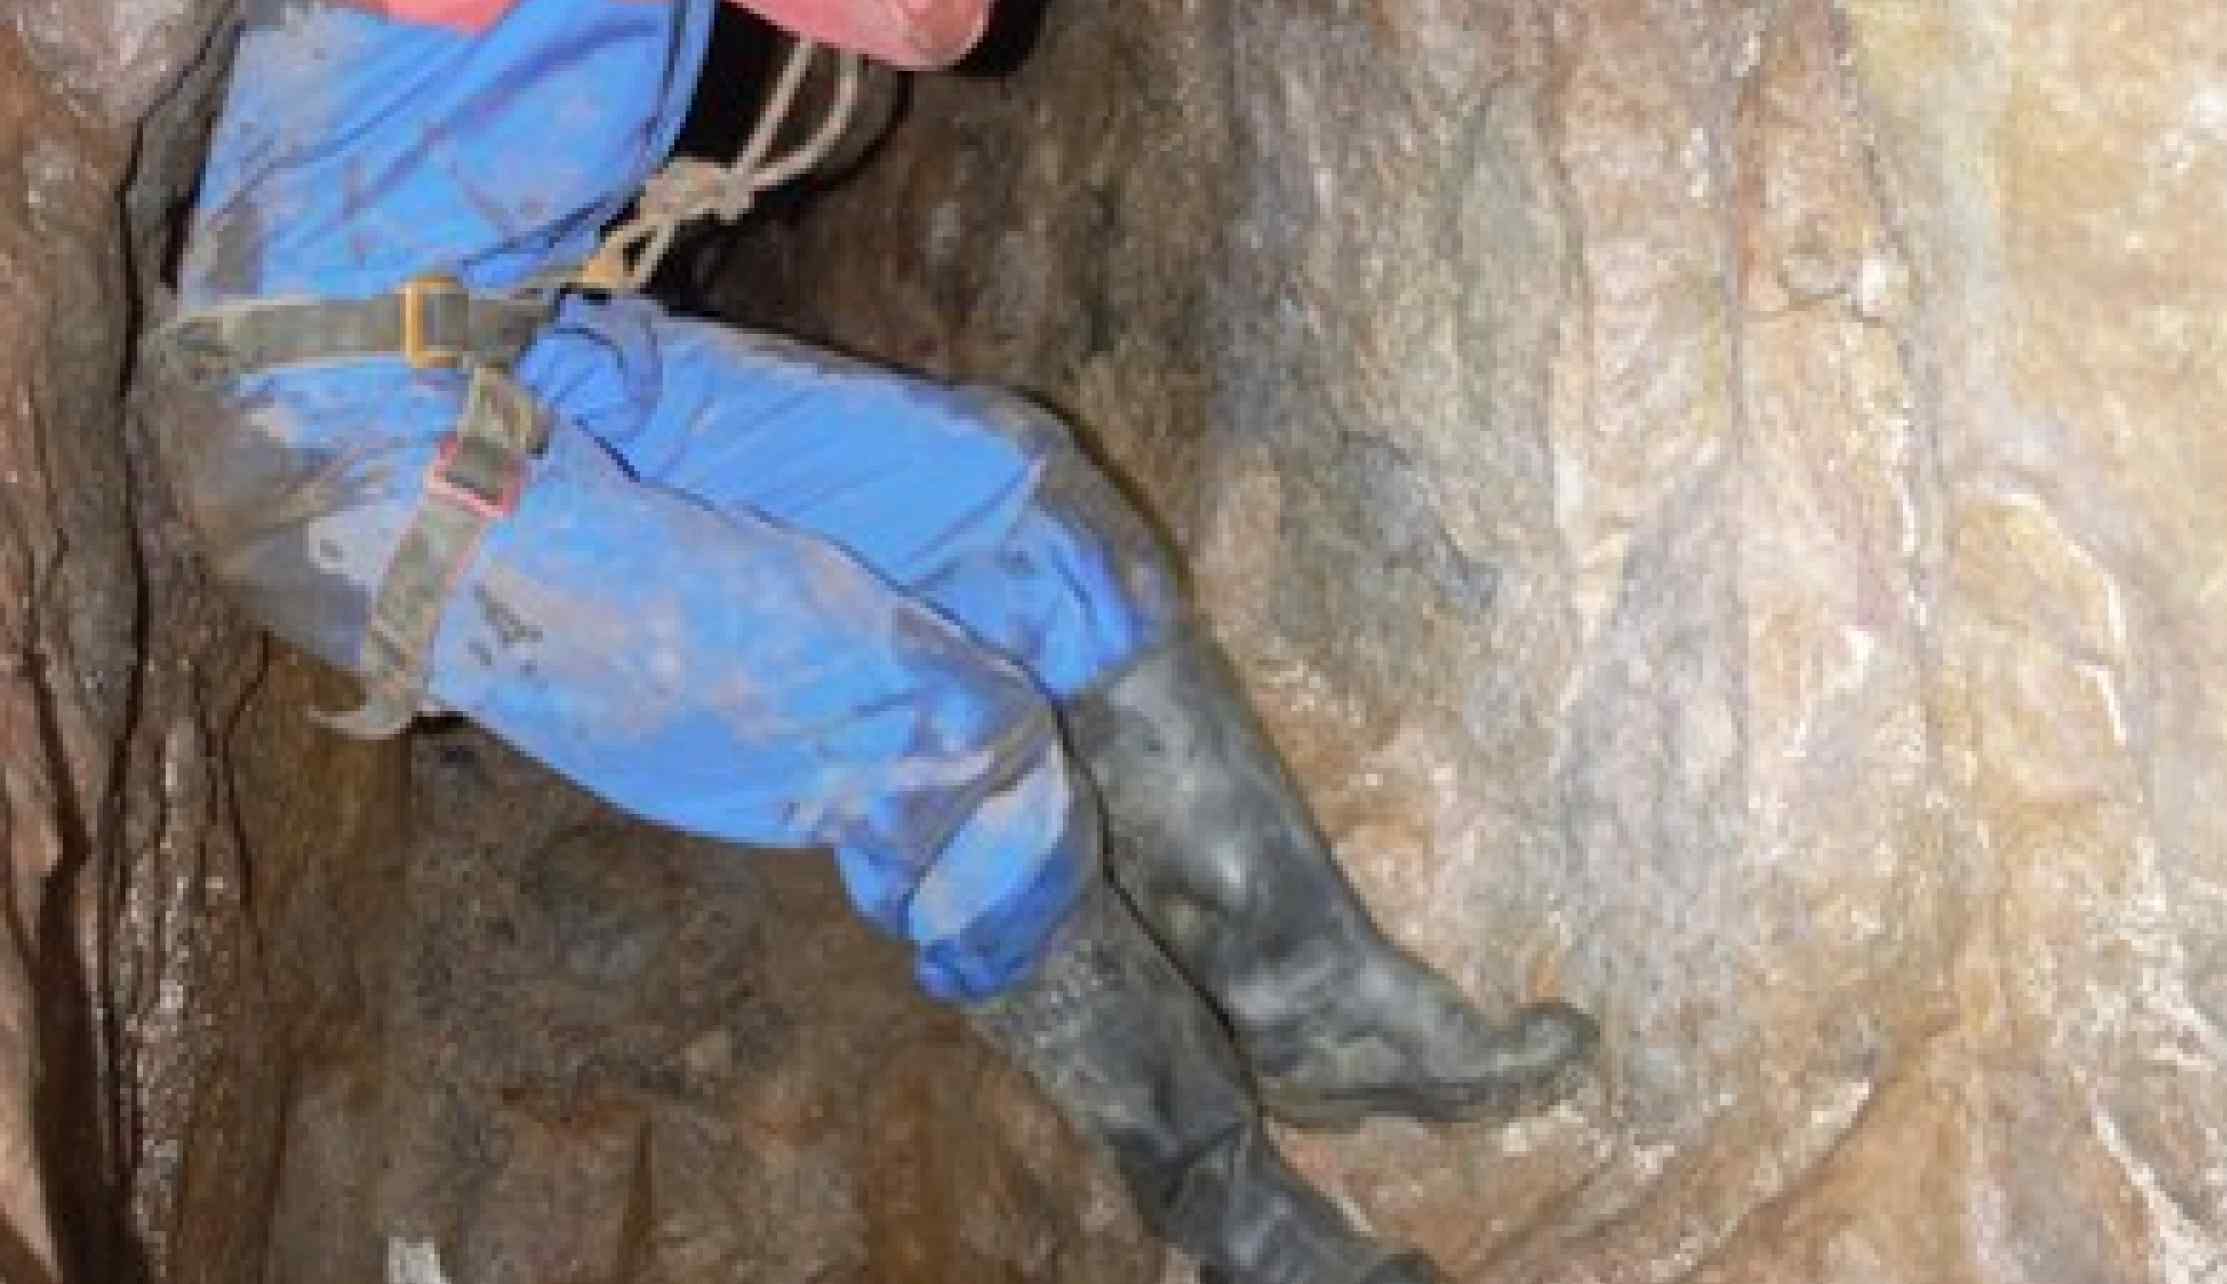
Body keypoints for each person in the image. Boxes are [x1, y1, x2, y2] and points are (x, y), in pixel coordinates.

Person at [153, 2, 1599, 1279]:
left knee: (1024, 504)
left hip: (515, 353)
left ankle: (1322, 1011)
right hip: (334, 430)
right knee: (939, 742)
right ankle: (1245, 1231)